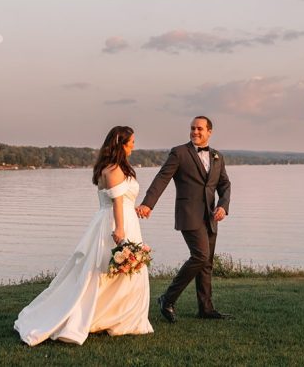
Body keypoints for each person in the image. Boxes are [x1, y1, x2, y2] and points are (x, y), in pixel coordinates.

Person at [14, 126, 154, 345]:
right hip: (117, 223)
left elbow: (121, 200)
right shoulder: (114, 169)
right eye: (132, 142)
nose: (134, 146)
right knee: (108, 271)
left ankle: (113, 315)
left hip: (123, 218)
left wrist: (132, 209)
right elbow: (117, 202)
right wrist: (120, 230)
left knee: (115, 271)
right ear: (122, 144)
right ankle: (109, 317)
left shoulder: (111, 168)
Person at [136, 115, 232, 321]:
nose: (195, 132)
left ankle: (205, 309)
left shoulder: (218, 156)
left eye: (199, 129)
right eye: (192, 128)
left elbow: (225, 185)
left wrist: (223, 206)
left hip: (211, 216)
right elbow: (162, 178)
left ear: (209, 132)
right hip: (189, 214)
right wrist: (147, 203)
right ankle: (167, 299)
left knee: (206, 263)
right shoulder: (179, 152)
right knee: (200, 256)